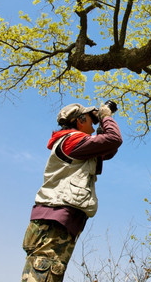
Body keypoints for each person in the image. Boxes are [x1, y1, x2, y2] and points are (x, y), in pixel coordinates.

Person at [21, 102, 122, 282]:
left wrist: (105, 123)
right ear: (79, 120)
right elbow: (113, 139)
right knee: (45, 273)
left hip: (55, 218)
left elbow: (108, 149)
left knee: (42, 274)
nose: (94, 122)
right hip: (56, 218)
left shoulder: (75, 143)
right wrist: (106, 117)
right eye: (92, 118)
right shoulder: (72, 139)